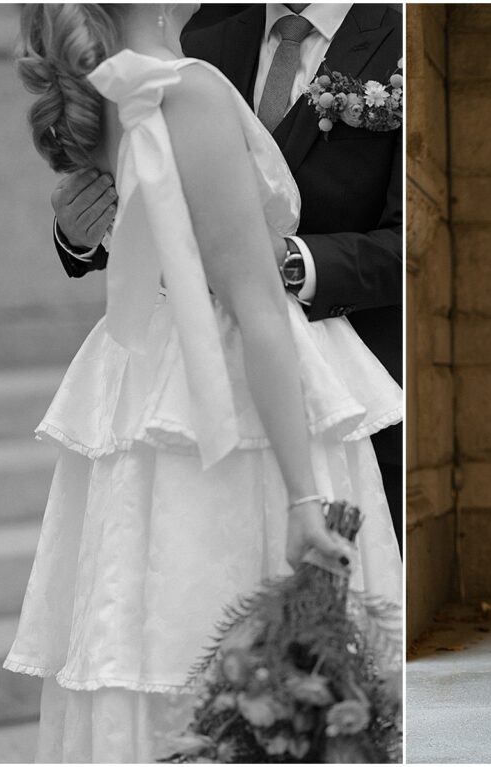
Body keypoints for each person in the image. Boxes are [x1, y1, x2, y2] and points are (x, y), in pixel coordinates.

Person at [4, 4, 402, 761]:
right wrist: (303, 500)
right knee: (240, 627)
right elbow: (253, 305)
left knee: (148, 628)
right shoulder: (192, 85)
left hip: (142, 373)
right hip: (233, 384)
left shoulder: (108, 85)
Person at [50, 3, 404, 549]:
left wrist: (290, 260)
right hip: (204, 374)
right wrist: (77, 232)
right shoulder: (198, 42)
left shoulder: (405, 33)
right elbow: (152, 210)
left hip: (357, 382)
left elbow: (420, 238)